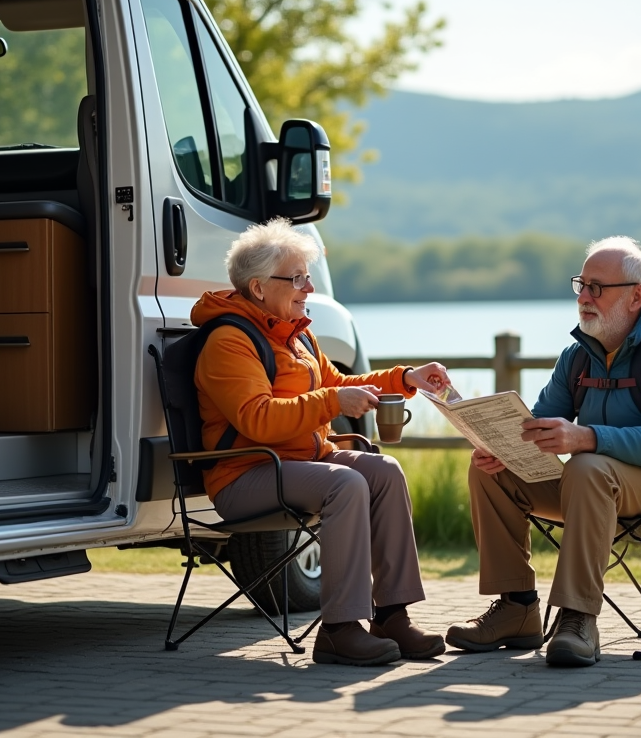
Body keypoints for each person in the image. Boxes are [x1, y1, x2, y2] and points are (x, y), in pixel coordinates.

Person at [446, 236, 641, 667]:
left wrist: (585, 437)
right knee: (490, 471)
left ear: (636, 297)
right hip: (594, 488)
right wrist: (502, 448)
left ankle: (578, 619)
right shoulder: (578, 356)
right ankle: (517, 608)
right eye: (581, 285)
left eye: (597, 288)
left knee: (588, 467)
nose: (584, 298)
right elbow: (537, 426)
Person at [190, 218, 451, 667]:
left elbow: (340, 383)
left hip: (300, 462)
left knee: (384, 471)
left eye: (306, 276)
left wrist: (405, 378)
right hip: (245, 473)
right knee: (344, 484)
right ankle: (339, 630)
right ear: (258, 288)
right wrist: (332, 400)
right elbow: (258, 419)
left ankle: (391, 615)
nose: (308, 287)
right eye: (296, 278)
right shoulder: (229, 340)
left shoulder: (297, 334)